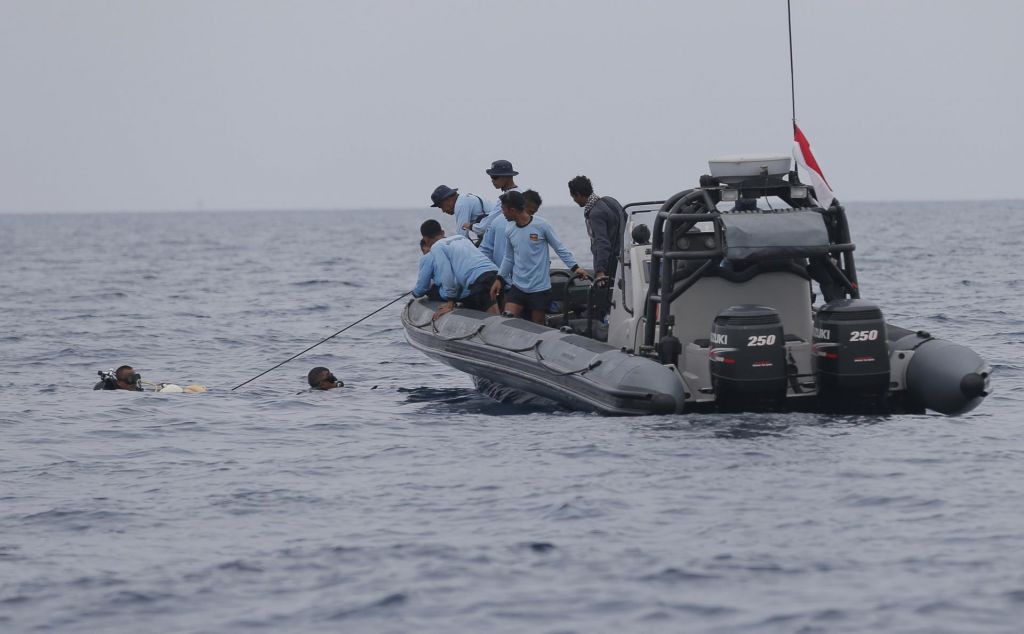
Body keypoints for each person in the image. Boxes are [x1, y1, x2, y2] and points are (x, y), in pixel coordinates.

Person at [490, 191, 588, 324]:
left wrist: (575, 268)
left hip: (539, 288)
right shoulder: (509, 229)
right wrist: (499, 279)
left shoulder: (542, 225)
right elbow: (508, 258)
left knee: (538, 326)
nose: (503, 213)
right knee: (507, 321)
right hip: (518, 286)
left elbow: (559, 248)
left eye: (503, 210)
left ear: (512, 210)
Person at [420, 222, 500, 318]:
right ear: (442, 232)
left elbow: (447, 274)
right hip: (496, 273)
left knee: (494, 317)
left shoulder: (436, 247)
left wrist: (450, 302)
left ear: (425, 239)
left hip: (480, 280)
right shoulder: (460, 238)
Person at [568, 175, 623, 285]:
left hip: (610, 265)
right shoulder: (610, 201)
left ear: (578, 194)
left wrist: (600, 271)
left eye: (573, 197)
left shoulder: (595, 213)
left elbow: (602, 242)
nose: (574, 200)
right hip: (622, 260)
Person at [469, 159, 523, 238]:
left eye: (495, 177)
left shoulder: (508, 198)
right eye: (491, 177)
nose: (492, 180)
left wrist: (470, 226)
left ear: (507, 176)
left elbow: (483, 227)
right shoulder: (519, 192)